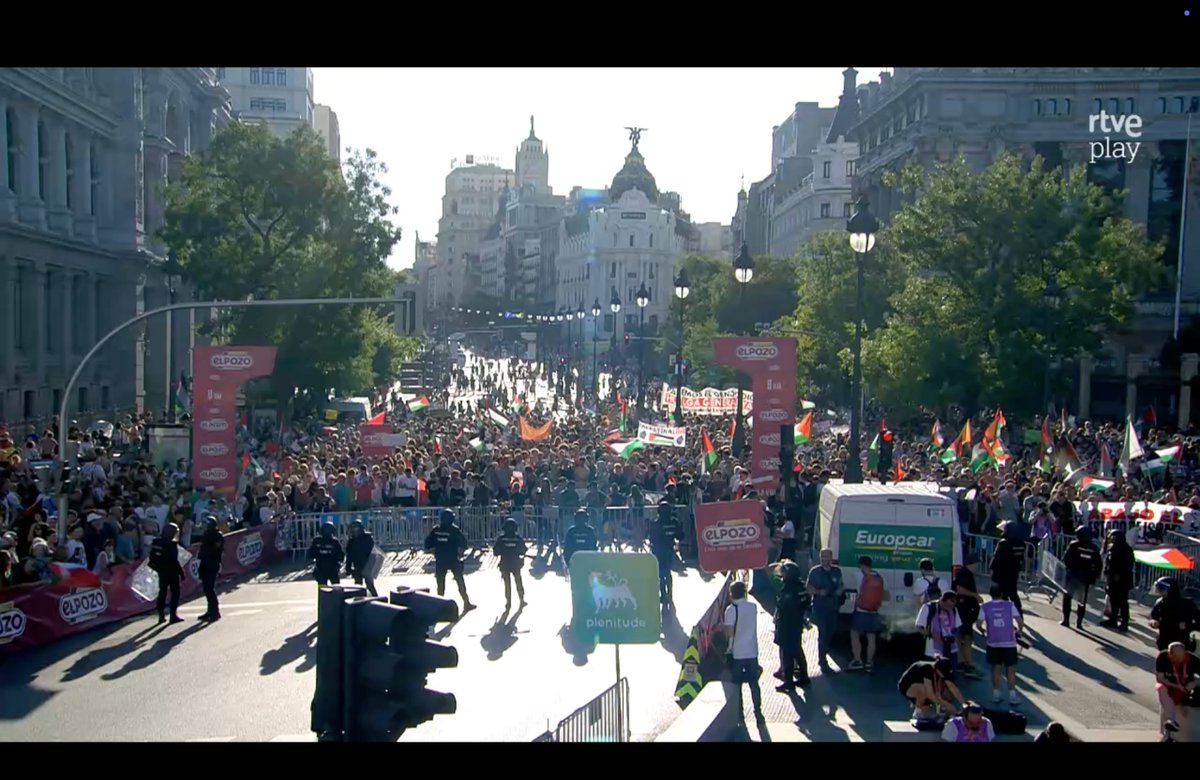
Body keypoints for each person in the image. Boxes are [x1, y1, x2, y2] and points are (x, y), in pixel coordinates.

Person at [722, 579, 764, 725]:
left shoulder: (731, 610)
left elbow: (729, 633)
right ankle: (758, 711)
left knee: (737, 684)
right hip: (752, 650)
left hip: (737, 652)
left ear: (731, 593)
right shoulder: (752, 607)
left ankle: (739, 714)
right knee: (754, 683)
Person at [982, 583, 1024, 705]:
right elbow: (1019, 621)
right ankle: (1012, 695)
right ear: (1002, 594)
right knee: (1010, 669)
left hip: (993, 643)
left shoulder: (985, 607)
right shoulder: (1010, 605)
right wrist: (1019, 631)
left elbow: (979, 623)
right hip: (1009, 643)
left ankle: (996, 694)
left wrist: (983, 631)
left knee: (996, 668)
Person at [424, 509, 474, 611]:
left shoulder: (436, 530)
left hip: (440, 560)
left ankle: (440, 607)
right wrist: (461, 553)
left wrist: (434, 550)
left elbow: (427, 544)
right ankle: (466, 603)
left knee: (440, 585)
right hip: (453, 559)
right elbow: (464, 543)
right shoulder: (454, 530)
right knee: (460, 581)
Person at [773, 561, 811, 691]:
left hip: (787, 624)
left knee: (787, 653)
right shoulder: (801, 587)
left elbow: (783, 607)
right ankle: (804, 677)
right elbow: (806, 603)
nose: (781, 574)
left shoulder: (788, 589)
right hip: (797, 623)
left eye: (783, 572)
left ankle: (788, 682)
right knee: (797, 650)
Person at [806, 548, 844, 672]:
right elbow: (808, 587)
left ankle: (824, 652)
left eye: (827, 557)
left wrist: (839, 591)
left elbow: (840, 585)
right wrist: (818, 592)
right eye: (823, 557)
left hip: (833, 607)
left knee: (831, 632)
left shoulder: (836, 571)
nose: (825, 559)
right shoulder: (815, 571)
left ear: (831, 557)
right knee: (823, 633)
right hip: (820, 607)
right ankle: (822, 660)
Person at [1155, 641, 1200, 742]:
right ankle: (1170, 725)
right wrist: (1176, 686)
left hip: (1186, 687)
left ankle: (1169, 729)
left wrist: (1194, 683)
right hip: (1169, 686)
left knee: (1168, 706)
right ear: (1170, 654)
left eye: (1181, 657)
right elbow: (1160, 678)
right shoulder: (1162, 657)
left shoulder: (1192, 659)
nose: (1179, 660)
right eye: (1175, 657)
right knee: (1162, 690)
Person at [897, 656, 965, 721]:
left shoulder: (944, 671)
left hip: (927, 687)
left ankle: (942, 711)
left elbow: (952, 687)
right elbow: (930, 694)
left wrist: (964, 703)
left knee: (947, 693)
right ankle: (918, 711)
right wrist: (946, 704)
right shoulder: (926, 669)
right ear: (937, 670)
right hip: (908, 687)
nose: (945, 676)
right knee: (923, 688)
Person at [1060, 527, 1102, 628]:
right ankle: (1079, 622)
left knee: (1067, 598)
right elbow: (1098, 565)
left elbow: (1066, 558)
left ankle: (1066, 620)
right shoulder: (1094, 548)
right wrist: (1094, 577)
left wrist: (1068, 569)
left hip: (1072, 576)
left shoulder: (1074, 545)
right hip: (1085, 579)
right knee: (1082, 601)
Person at [849, 555, 884, 672]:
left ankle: (857, 660)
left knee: (854, 633)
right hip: (874, 611)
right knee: (871, 637)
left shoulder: (860, 576)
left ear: (861, 565)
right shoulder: (878, 576)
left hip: (861, 611)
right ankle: (869, 662)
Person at [953, 554, 984, 676]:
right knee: (966, 638)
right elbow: (959, 589)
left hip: (966, 610)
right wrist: (975, 595)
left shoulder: (967, 573)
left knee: (963, 637)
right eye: (977, 563)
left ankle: (963, 661)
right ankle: (966, 663)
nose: (978, 566)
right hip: (965, 609)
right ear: (972, 563)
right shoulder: (964, 573)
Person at [148, 522, 184, 625]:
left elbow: (152, 557)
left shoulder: (156, 542)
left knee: (162, 593)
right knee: (175, 593)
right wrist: (181, 573)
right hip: (172, 572)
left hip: (161, 571)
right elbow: (174, 560)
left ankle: (161, 616)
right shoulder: (172, 545)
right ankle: (173, 615)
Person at [1150, 577, 1198, 652]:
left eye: (1161, 589)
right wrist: (1153, 622)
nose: (1159, 591)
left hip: (1182, 644)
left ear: (1171, 589)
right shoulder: (1160, 602)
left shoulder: (1186, 604)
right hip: (1164, 643)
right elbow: (1153, 617)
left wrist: (1188, 625)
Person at [1100, 528, 1134, 632]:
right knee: (1113, 600)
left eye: (1113, 538)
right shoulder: (1113, 548)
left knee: (1122, 602)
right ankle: (1113, 619)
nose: (1111, 539)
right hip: (1113, 579)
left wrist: (1118, 575)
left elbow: (1127, 565)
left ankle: (1124, 623)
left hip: (1122, 580)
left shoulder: (1125, 549)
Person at [990, 523, 1027, 616]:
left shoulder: (1003, 543)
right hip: (1013, 573)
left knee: (1001, 595)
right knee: (1013, 594)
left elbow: (996, 558)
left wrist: (992, 570)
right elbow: (1021, 558)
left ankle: (1004, 616)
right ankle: (1019, 613)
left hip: (1001, 573)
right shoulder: (1021, 544)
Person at [918, 591, 963, 665]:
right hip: (933, 649)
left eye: (952, 606)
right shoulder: (928, 608)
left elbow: (957, 628)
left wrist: (959, 652)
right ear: (942, 600)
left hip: (951, 648)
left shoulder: (954, 610)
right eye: (947, 605)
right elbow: (919, 627)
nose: (949, 608)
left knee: (951, 673)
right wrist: (932, 635)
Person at [651, 500, 681, 608]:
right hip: (668, 551)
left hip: (658, 551)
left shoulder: (655, 523)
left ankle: (663, 594)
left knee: (661, 574)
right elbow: (680, 535)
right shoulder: (674, 522)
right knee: (667, 573)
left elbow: (652, 537)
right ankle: (669, 594)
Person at [493, 517, 528, 610]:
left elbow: (495, 552)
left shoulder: (501, 539)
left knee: (507, 584)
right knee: (518, 582)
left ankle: (508, 602)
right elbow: (523, 550)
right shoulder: (518, 539)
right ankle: (522, 599)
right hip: (516, 564)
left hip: (504, 564)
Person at [197, 516, 224, 622]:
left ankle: (215, 612)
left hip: (212, 564)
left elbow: (216, 550)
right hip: (204, 563)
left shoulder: (217, 535)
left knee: (210, 588)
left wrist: (206, 552)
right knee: (206, 589)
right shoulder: (206, 534)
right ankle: (209, 611)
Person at [345, 519, 379, 597]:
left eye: (356, 529)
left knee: (370, 586)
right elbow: (349, 556)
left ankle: (377, 600)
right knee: (358, 588)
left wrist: (372, 566)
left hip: (367, 566)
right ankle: (359, 603)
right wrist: (348, 568)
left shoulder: (367, 538)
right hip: (357, 566)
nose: (355, 531)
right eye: (353, 529)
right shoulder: (351, 541)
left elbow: (373, 553)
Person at [308, 521, 344, 587]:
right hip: (330, 568)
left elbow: (311, 554)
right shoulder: (334, 542)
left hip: (323, 567)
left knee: (324, 588)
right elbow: (341, 556)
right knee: (335, 587)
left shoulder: (317, 540)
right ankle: (335, 597)